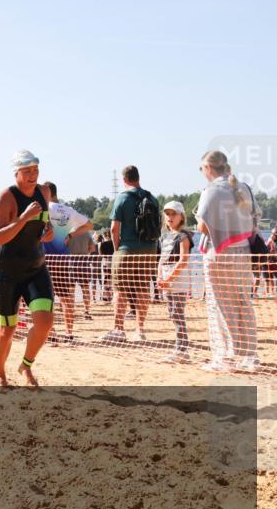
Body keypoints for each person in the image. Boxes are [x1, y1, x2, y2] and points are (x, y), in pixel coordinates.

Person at [0, 150, 55, 388]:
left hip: (35, 268)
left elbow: (45, 225)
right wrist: (24, 218)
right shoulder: (6, 197)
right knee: (7, 329)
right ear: (16, 173)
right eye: (27, 171)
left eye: (35, 170)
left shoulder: (44, 192)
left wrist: (47, 232)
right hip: (6, 272)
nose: (32, 175)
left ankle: (25, 365)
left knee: (45, 321)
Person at [195, 150, 260, 373]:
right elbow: (255, 217)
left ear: (208, 168)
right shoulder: (244, 188)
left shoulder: (211, 190)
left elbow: (202, 227)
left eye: (202, 169)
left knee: (220, 305)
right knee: (243, 301)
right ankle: (250, 355)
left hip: (218, 254)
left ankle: (225, 357)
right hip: (243, 252)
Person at [104, 166, 159, 343]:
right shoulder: (152, 197)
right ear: (138, 177)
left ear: (124, 179)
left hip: (127, 248)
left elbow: (114, 228)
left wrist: (117, 249)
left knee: (120, 289)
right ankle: (140, 330)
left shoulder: (123, 197)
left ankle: (119, 329)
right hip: (149, 249)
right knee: (143, 288)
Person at [41, 182, 94, 339]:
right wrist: (70, 235)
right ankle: (69, 333)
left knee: (46, 297)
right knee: (66, 297)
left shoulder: (44, 209)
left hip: (46, 259)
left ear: (48, 193)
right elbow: (89, 225)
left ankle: (51, 332)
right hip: (64, 258)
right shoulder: (68, 210)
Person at [157, 201, 194, 364]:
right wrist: (159, 278)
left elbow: (183, 259)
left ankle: (182, 350)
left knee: (178, 314)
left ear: (181, 216)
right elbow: (161, 259)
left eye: (174, 214)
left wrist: (169, 279)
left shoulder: (183, 235)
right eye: (167, 214)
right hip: (165, 277)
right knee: (172, 314)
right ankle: (180, 348)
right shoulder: (164, 236)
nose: (170, 217)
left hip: (177, 279)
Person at [97, 231, 115, 302]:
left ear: (104, 235)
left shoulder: (102, 244)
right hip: (113, 262)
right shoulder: (114, 243)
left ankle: (105, 297)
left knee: (106, 279)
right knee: (112, 279)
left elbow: (100, 254)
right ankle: (111, 296)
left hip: (105, 262)